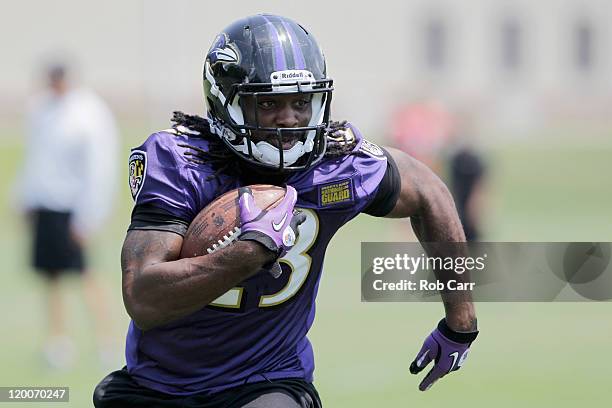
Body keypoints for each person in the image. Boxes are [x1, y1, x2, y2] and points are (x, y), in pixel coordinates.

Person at [94, 14, 478, 407]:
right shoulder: (183, 163)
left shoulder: (335, 165)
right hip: (159, 386)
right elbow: (144, 299)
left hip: (266, 381)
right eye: (269, 103)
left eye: (300, 102)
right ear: (228, 102)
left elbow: (429, 192)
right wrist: (244, 254)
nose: (289, 119)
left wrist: (461, 323)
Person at [17, 62, 119, 369]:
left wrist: (88, 215)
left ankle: (107, 341)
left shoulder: (88, 113)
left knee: (87, 275)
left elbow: (99, 166)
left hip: (73, 207)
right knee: (52, 277)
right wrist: (25, 198)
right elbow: (35, 157)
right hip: (46, 204)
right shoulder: (40, 109)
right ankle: (58, 342)